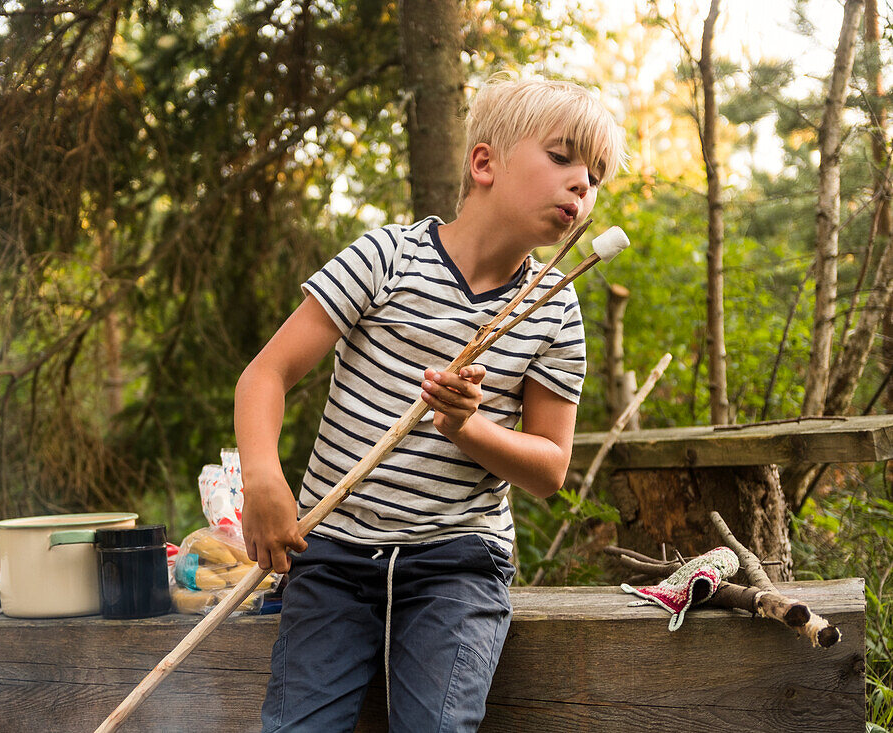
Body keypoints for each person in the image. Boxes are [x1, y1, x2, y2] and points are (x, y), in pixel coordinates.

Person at [234, 75, 626, 732]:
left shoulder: (557, 308)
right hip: (334, 555)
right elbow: (265, 374)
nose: (582, 183)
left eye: (595, 174)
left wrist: (467, 427)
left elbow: (549, 468)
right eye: (562, 156)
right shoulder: (385, 259)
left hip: (457, 563)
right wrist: (263, 476)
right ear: (484, 163)